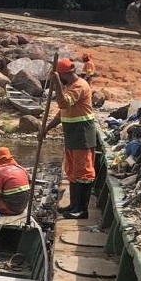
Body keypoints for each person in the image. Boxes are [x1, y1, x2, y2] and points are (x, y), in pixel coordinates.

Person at [45, 57, 98, 220]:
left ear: (63, 74)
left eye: (58, 77)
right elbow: (62, 114)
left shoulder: (79, 86)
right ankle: (74, 205)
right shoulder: (69, 86)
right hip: (72, 134)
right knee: (73, 171)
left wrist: (57, 84)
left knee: (83, 172)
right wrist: (45, 129)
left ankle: (81, 210)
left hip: (82, 134)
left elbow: (63, 104)